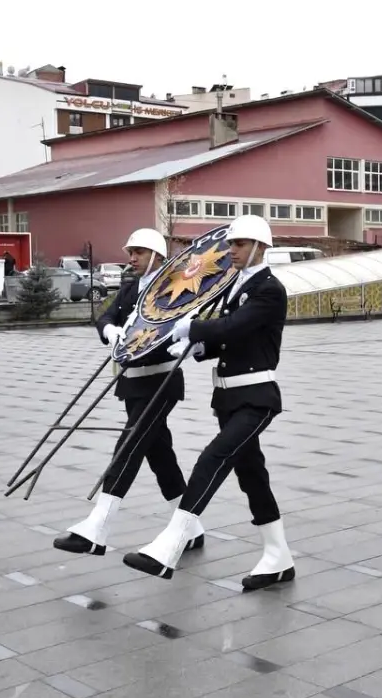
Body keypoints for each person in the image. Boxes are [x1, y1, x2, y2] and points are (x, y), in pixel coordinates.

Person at [123, 215, 293, 590]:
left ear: (261, 248)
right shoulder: (238, 286)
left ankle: (170, 543)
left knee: (212, 458)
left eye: (239, 245)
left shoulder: (269, 289)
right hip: (229, 396)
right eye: (232, 244)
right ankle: (278, 556)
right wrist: (198, 346)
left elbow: (237, 326)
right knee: (252, 477)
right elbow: (231, 338)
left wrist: (192, 327)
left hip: (256, 396)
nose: (231, 251)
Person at [53, 229, 202, 557]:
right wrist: (111, 330)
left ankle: (98, 527)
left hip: (160, 384)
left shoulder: (174, 290)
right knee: (160, 455)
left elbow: (173, 335)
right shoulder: (131, 288)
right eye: (130, 252)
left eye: (138, 252)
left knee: (128, 446)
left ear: (157, 256)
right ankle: (191, 528)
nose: (131, 258)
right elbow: (106, 316)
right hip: (133, 383)